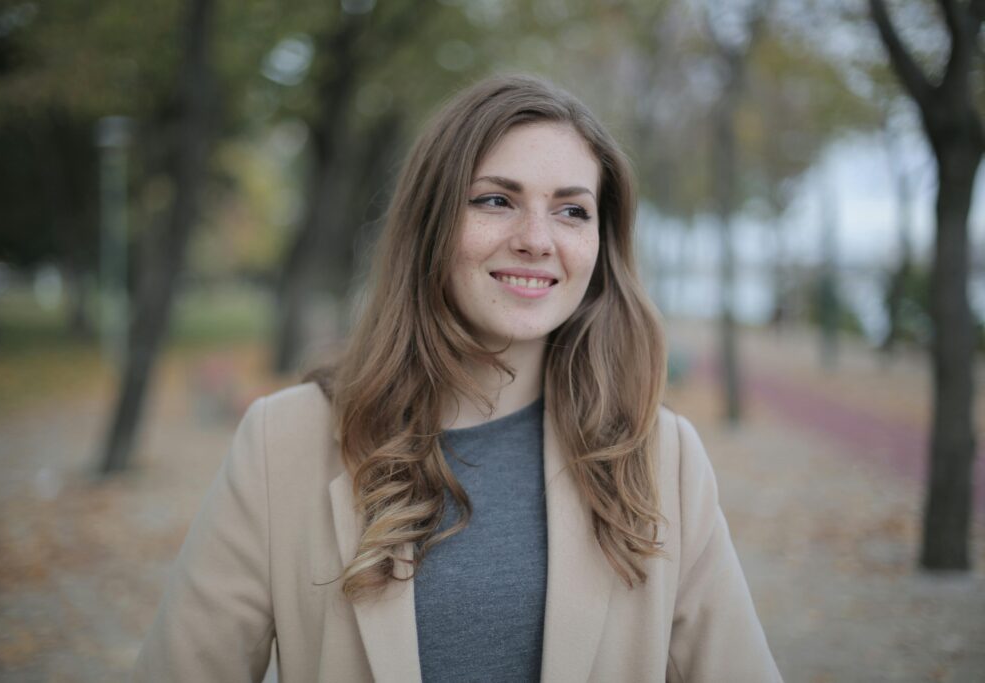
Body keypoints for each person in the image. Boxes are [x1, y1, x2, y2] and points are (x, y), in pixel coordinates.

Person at [133, 74, 782, 683]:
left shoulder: (661, 457)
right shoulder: (283, 442)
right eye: (496, 200)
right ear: (430, 225)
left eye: (572, 210)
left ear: (601, 247)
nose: (536, 238)